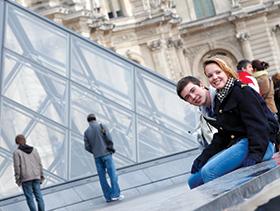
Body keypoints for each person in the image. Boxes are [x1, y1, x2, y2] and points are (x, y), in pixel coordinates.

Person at [188, 57, 279, 189]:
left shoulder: (242, 91)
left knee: (209, 172)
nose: (214, 77)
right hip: (241, 144)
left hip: (260, 144)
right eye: (210, 75)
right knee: (194, 181)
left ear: (226, 71)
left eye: (218, 72)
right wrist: (204, 156)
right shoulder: (221, 97)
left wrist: (255, 155)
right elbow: (223, 134)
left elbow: (259, 126)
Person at [84, 114, 123, 202]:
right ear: (95, 119)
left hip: (97, 157)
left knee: (102, 178)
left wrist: (94, 151)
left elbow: (87, 147)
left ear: (88, 121)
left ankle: (108, 197)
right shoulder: (101, 126)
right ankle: (115, 194)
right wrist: (110, 148)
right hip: (106, 154)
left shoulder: (86, 132)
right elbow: (109, 138)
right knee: (112, 174)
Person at [176, 76, 217, 147]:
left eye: (193, 90)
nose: (193, 97)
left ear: (201, 85)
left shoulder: (224, 96)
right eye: (188, 97)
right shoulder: (201, 116)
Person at [13, 134, 45, 211]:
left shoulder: (16, 152)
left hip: (25, 178)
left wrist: (17, 179)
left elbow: (17, 167)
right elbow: (39, 163)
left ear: (17, 142)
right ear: (25, 140)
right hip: (36, 176)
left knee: (29, 198)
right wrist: (41, 175)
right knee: (39, 196)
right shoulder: (34, 150)